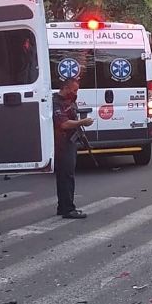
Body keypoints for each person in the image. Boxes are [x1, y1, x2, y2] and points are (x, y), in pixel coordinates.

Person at [53, 78, 94, 219]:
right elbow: (63, 124)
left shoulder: (69, 101)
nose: (76, 93)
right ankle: (68, 209)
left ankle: (63, 206)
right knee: (66, 176)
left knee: (65, 176)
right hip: (62, 143)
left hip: (69, 141)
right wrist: (82, 122)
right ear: (65, 88)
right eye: (74, 90)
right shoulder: (56, 102)